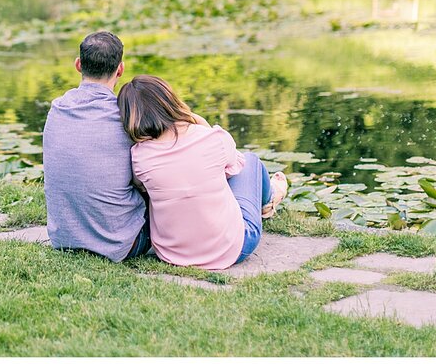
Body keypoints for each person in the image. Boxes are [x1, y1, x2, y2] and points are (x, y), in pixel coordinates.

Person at [117, 75, 288, 270]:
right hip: (234, 248)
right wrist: (196, 121)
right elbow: (235, 167)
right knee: (251, 161)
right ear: (170, 100)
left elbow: (141, 186)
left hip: (171, 253)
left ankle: (268, 201)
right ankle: (270, 199)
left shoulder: (139, 157)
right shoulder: (210, 137)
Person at [43, 31, 150, 262]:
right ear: (120, 70)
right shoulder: (124, 116)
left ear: (78, 65)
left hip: (64, 239)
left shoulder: (57, 109)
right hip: (121, 243)